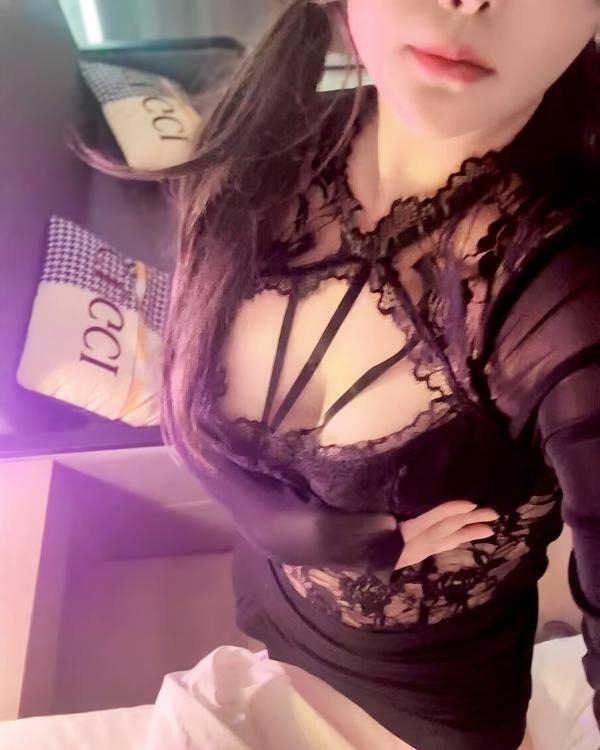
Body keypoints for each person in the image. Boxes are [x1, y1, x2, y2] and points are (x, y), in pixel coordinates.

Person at [157, 2, 600, 749]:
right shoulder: (261, 149)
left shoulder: (570, 299)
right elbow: (183, 418)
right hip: (270, 602)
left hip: (432, 701)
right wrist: (320, 537)